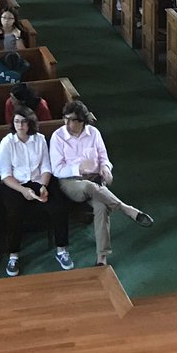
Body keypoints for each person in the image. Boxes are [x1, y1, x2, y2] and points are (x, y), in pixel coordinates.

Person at [48, 100, 152, 267]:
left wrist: (106, 168)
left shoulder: (94, 133)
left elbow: (104, 158)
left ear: (82, 121)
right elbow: (57, 169)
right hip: (71, 182)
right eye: (65, 119)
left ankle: (101, 258)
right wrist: (78, 168)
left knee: (102, 207)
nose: (67, 123)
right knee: (89, 187)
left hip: (95, 180)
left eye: (72, 120)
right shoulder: (58, 137)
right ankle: (126, 209)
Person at [0, 106, 72, 276]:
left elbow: (46, 166)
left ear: (30, 123)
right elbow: (5, 175)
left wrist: (43, 186)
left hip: (39, 181)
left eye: (24, 122)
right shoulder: (7, 143)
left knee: (59, 207)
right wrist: (23, 190)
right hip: (15, 184)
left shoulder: (39, 140)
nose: (20, 125)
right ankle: (13, 255)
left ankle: (62, 250)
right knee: (13, 213)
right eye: (17, 121)